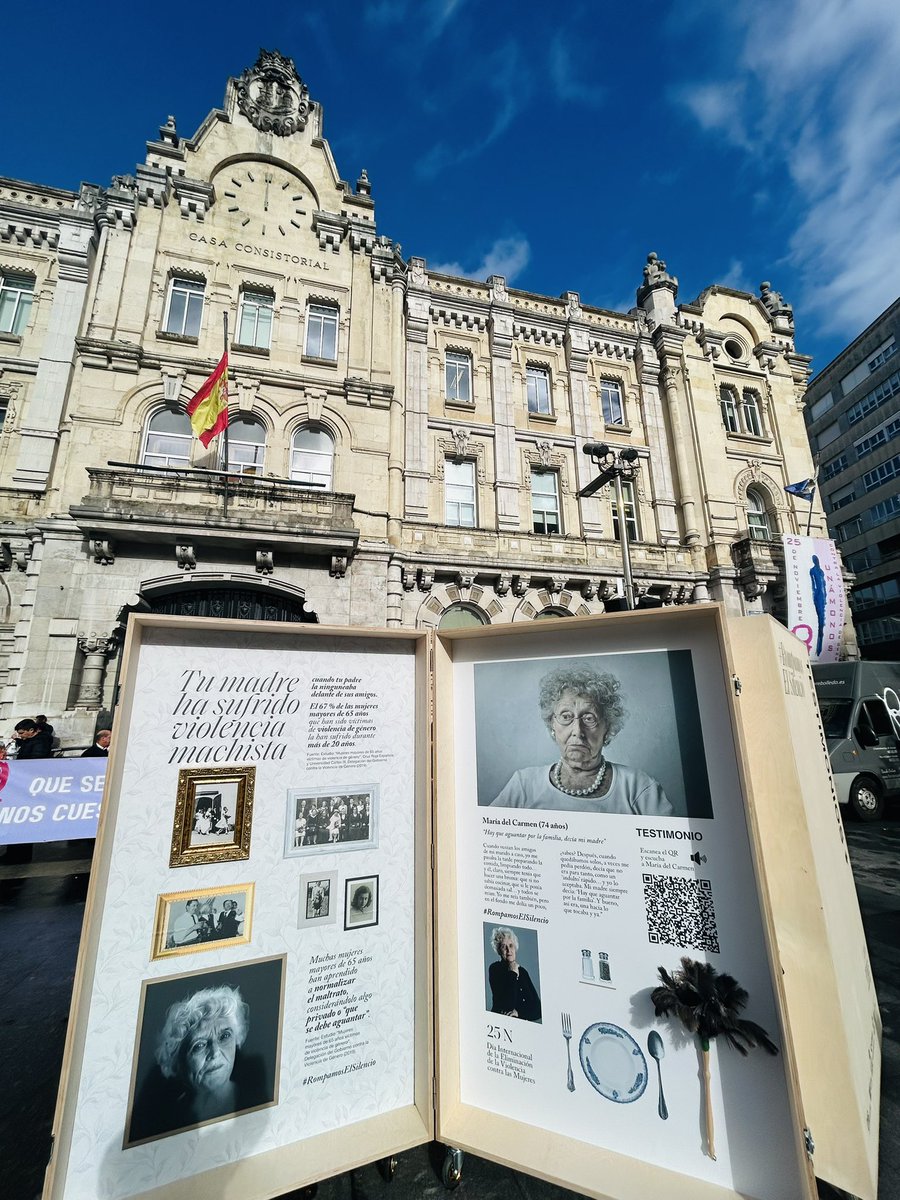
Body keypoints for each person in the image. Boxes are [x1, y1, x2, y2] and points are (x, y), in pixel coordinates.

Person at [491, 667, 673, 815]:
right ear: (552, 725)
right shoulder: (524, 784)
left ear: (607, 728)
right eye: (566, 716)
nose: (577, 731)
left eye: (589, 718)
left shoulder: (638, 787)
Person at [128, 984, 268, 1144]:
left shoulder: (256, 1100)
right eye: (199, 1045)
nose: (215, 1053)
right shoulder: (160, 1121)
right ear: (175, 1061)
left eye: (225, 1036)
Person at [488, 928, 541, 1022]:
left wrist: (519, 1013)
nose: (509, 950)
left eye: (511, 945)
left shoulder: (523, 972)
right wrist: (513, 973)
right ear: (499, 950)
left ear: (515, 948)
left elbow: (537, 1010)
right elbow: (507, 1006)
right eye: (504, 946)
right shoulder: (495, 969)